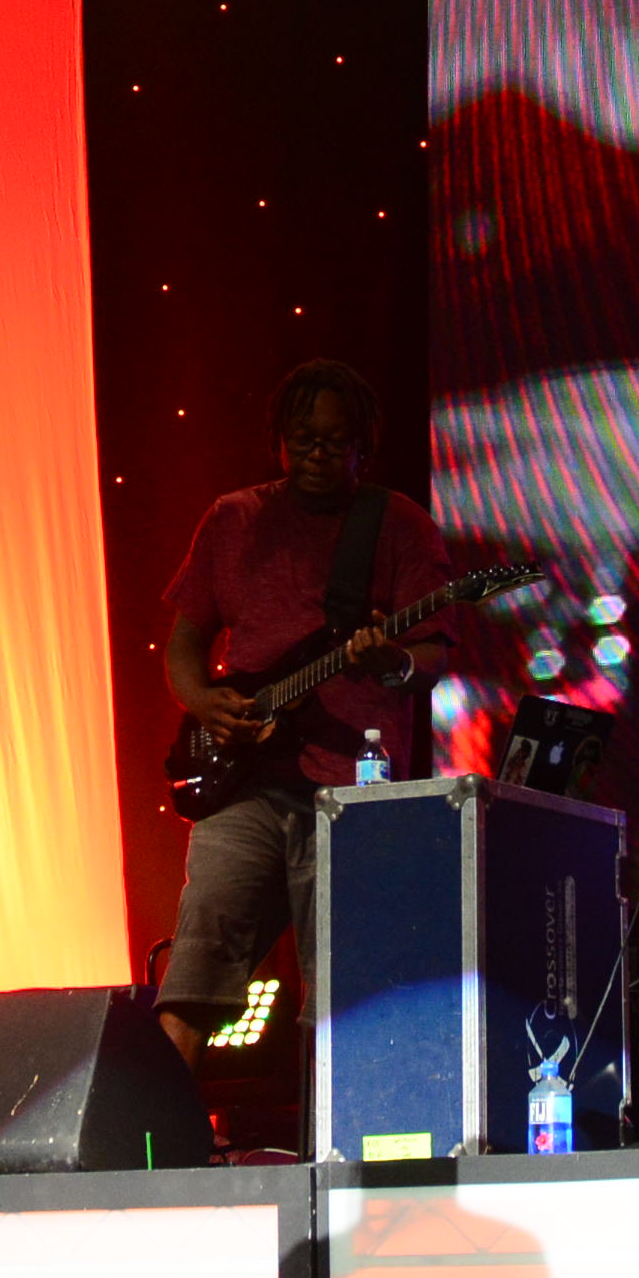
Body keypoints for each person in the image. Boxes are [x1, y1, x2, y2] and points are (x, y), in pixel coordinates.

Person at [154, 359, 450, 1077]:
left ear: (362, 447)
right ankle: (155, 1128)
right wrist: (203, 702)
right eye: (302, 440)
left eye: (334, 442)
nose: (317, 455)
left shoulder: (398, 525)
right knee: (196, 965)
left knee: (339, 991)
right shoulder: (233, 519)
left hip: (351, 788)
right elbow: (184, 646)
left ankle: (328, 1136)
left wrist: (391, 663)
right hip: (244, 785)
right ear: (277, 440)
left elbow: (433, 656)